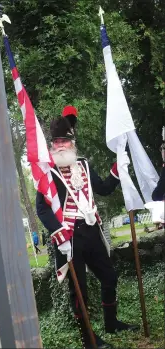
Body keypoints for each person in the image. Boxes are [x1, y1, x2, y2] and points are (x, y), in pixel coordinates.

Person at [36, 115, 139, 349]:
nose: (60, 145)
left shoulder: (83, 164)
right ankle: (89, 340)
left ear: (72, 142)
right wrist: (59, 232)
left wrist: (117, 169)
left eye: (65, 140)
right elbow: (41, 209)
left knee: (109, 277)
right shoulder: (48, 172)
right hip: (68, 237)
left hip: (91, 231)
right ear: (52, 145)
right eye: (57, 141)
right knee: (79, 292)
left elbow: (102, 188)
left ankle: (111, 324)